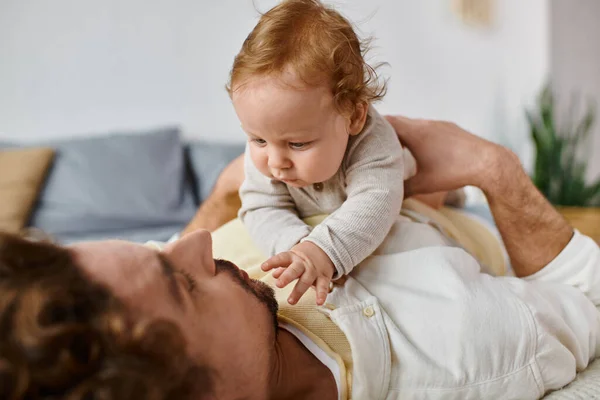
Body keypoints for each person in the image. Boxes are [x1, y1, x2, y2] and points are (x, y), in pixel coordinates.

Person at [2, 116, 599, 399]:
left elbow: (172, 259)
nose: (193, 245)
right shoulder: (467, 347)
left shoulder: (115, 317)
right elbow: (590, 304)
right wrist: (495, 169)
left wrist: (220, 197)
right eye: (181, 284)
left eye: (153, 249)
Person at [231, 0, 416, 306]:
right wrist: (298, 246)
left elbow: (375, 200)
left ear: (354, 117)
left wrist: (326, 250)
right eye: (258, 140)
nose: (276, 162)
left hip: (408, 182)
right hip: (314, 215)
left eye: (298, 144)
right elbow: (260, 207)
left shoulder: (373, 142)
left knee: (426, 190)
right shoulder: (269, 148)